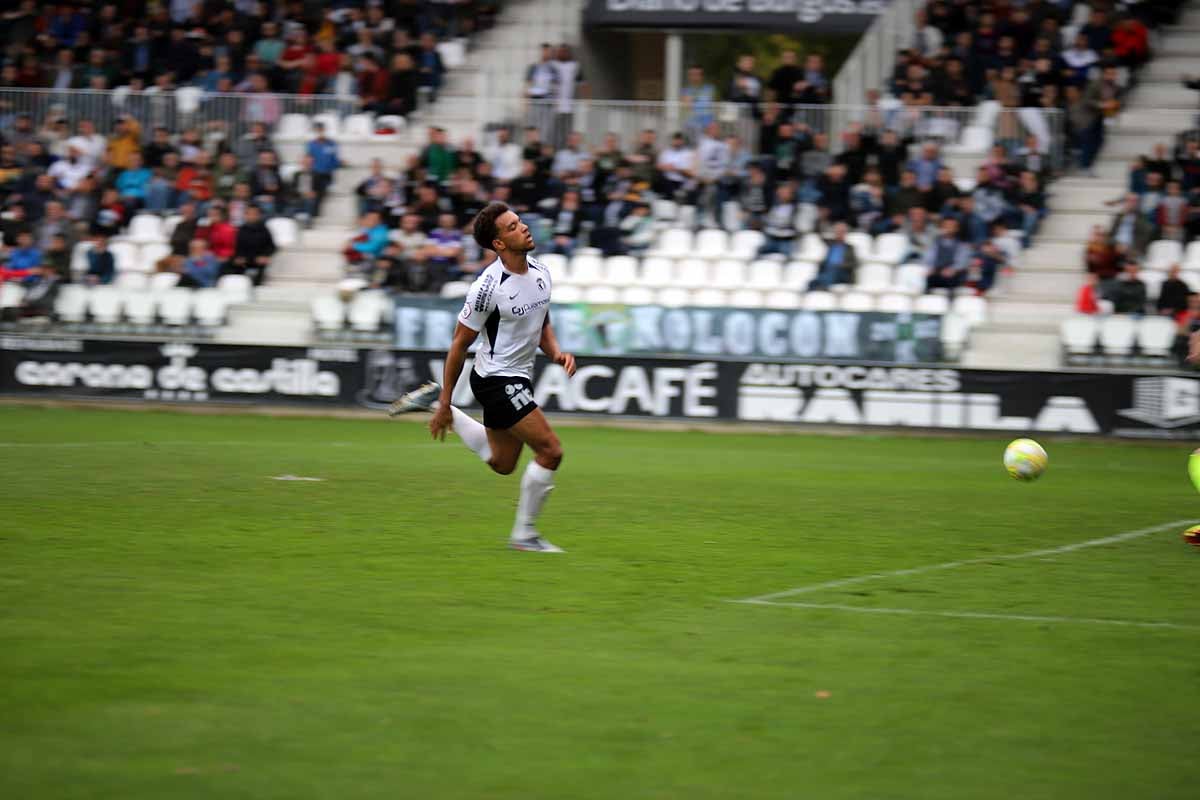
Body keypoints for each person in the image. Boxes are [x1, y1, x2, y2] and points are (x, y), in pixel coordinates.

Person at [388, 202, 576, 554]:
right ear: (500, 244)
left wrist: (556, 352)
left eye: (520, 221)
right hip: (496, 379)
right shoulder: (487, 287)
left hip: (519, 376)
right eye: (512, 227)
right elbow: (459, 345)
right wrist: (449, 397)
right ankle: (525, 537)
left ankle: (439, 406)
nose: (523, 228)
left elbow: (542, 322)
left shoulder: (541, 271)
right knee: (551, 451)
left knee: (504, 464)